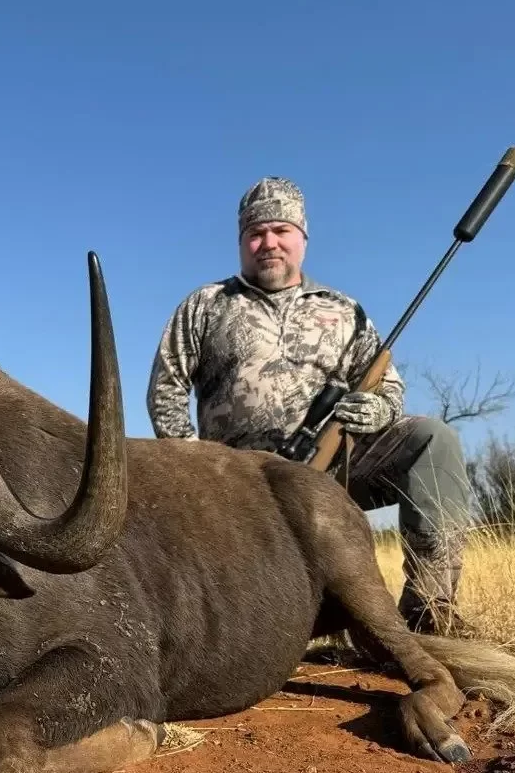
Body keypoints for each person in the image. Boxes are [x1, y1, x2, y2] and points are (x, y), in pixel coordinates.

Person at [146, 176, 473, 637]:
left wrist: (377, 412)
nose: (268, 243)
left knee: (432, 440)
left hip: (333, 470)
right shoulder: (206, 305)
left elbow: (389, 387)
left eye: (281, 231)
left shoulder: (345, 311)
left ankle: (430, 609)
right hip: (238, 486)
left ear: (302, 238)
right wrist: (193, 470)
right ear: (241, 241)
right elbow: (167, 388)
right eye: (255, 233)